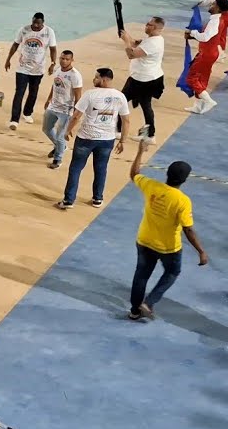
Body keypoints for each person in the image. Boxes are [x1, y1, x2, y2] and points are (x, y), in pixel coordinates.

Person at [126, 138, 208, 320]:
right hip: (168, 247)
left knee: (141, 275)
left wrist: (140, 151)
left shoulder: (151, 186)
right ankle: (149, 302)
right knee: (172, 272)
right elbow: (188, 230)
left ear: (167, 174)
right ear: (184, 180)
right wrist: (201, 251)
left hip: (144, 240)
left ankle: (134, 311)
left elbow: (134, 174)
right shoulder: (182, 200)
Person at [56, 68, 129, 210]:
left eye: (96, 77)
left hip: (86, 138)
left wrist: (68, 130)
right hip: (107, 139)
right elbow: (126, 120)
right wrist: (123, 141)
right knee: (101, 169)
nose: (94, 80)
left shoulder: (90, 94)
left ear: (104, 79)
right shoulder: (120, 96)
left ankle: (69, 200)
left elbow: (76, 115)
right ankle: (97, 198)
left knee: (76, 168)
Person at [4, 12, 58, 129]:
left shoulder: (49, 32)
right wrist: (8, 59)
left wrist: (53, 63)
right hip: (22, 68)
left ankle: (27, 113)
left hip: (38, 69)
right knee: (19, 93)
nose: (36, 25)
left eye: (38, 23)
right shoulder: (24, 30)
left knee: (33, 93)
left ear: (43, 22)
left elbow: (53, 49)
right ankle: (14, 120)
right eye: (34, 22)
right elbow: (15, 45)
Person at [119, 16, 165, 139]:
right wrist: (126, 35)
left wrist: (125, 41)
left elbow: (131, 54)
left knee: (121, 100)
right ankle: (150, 134)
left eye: (149, 24)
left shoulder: (153, 43)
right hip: (147, 77)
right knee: (145, 105)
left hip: (143, 80)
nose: (146, 25)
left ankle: (118, 129)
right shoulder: (153, 38)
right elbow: (135, 43)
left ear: (154, 27)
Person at [182, 0, 226, 115]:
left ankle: (209, 101)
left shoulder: (215, 22)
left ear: (218, 8)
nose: (211, 5)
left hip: (206, 54)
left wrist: (192, 33)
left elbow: (206, 37)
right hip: (209, 52)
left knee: (191, 78)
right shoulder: (217, 19)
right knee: (202, 79)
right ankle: (198, 106)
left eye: (213, 4)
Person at [42, 50, 83, 170]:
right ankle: (61, 146)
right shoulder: (58, 70)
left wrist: (75, 115)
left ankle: (58, 159)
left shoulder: (75, 75)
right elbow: (55, 85)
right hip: (53, 106)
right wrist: (49, 99)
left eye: (67, 59)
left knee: (61, 136)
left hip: (66, 110)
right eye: (62, 58)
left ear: (72, 60)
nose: (64, 61)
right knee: (46, 129)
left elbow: (78, 96)